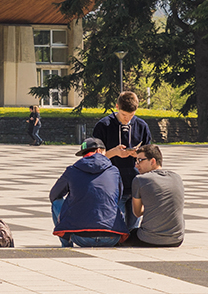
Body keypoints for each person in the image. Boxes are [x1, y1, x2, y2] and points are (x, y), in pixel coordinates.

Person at [49, 138, 128, 247]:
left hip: (81, 237)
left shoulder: (72, 170)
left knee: (56, 203)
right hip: (112, 237)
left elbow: (54, 195)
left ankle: (66, 244)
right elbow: (118, 197)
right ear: (100, 151)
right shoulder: (114, 170)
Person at [91, 91, 151, 227]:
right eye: (124, 115)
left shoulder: (142, 126)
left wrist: (139, 155)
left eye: (131, 115)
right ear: (117, 107)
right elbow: (93, 159)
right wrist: (114, 152)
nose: (127, 119)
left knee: (133, 227)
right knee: (117, 226)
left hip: (136, 182)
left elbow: (149, 154)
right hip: (112, 184)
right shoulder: (104, 126)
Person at [127, 144, 184, 248]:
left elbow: (137, 213)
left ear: (152, 161)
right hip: (177, 239)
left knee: (126, 235)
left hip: (148, 239)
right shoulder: (177, 177)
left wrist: (151, 204)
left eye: (140, 160)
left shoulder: (140, 179)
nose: (136, 165)